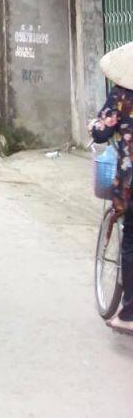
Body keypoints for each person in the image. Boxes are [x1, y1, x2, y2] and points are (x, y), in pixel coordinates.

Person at [90, 77, 133, 333]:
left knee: (130, 242)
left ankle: (128, 314)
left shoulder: (122, 94)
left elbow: (101, 132)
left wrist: (94, 125)